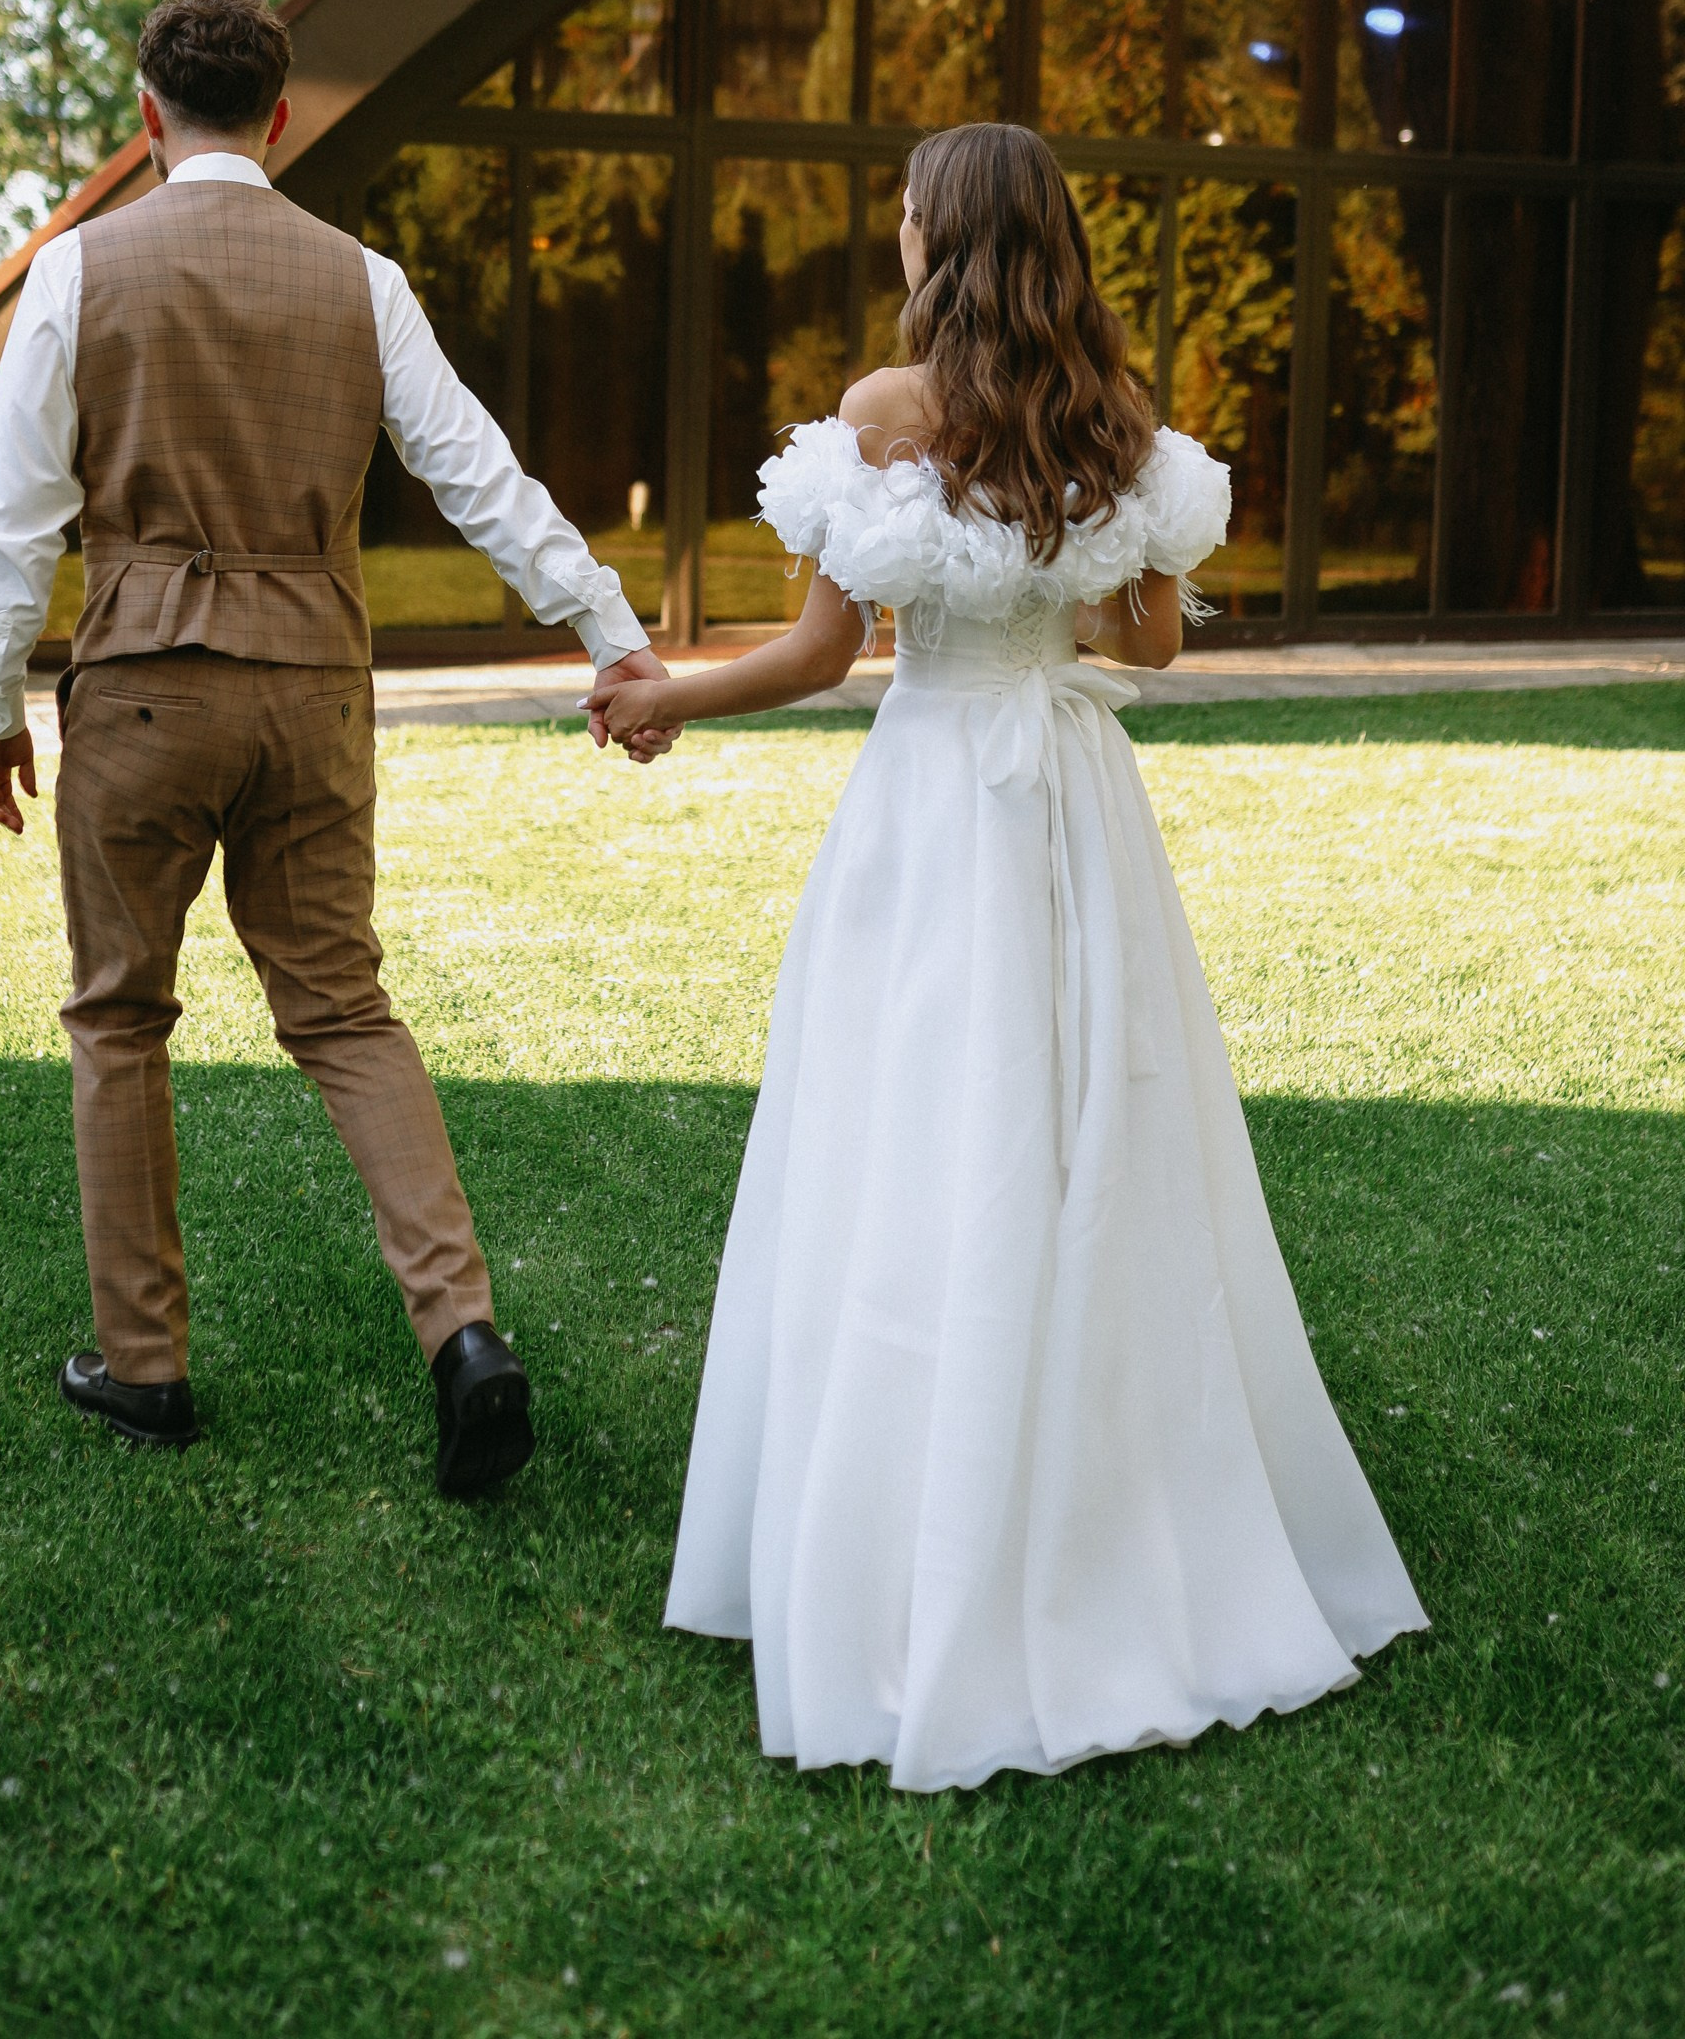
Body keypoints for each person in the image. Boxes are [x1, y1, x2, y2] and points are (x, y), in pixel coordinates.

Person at [595, 121, 1426, 1791]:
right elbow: (1155, 648)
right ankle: (1114, 1501)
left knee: (911, 1139)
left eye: (907, 215)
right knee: (1088, 1133)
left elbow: (830, 652)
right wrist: (1087, 563)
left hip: (934, 802)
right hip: (1076, 811)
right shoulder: (1120, 417)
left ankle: (910, 1527)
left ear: (937, 238)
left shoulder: (886, 412)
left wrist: (663, 692)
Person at [0, 0, 670, 1490]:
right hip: (310, 700)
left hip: (143, 691)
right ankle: (463, 1331)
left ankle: (143, 1368)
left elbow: (14, 515)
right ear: (278, 120)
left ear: (149, 113)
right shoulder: (364, 281)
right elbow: (482, 476)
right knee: (345, 1013)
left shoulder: (79, 271)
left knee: (118, 1017)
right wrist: (610, 629)